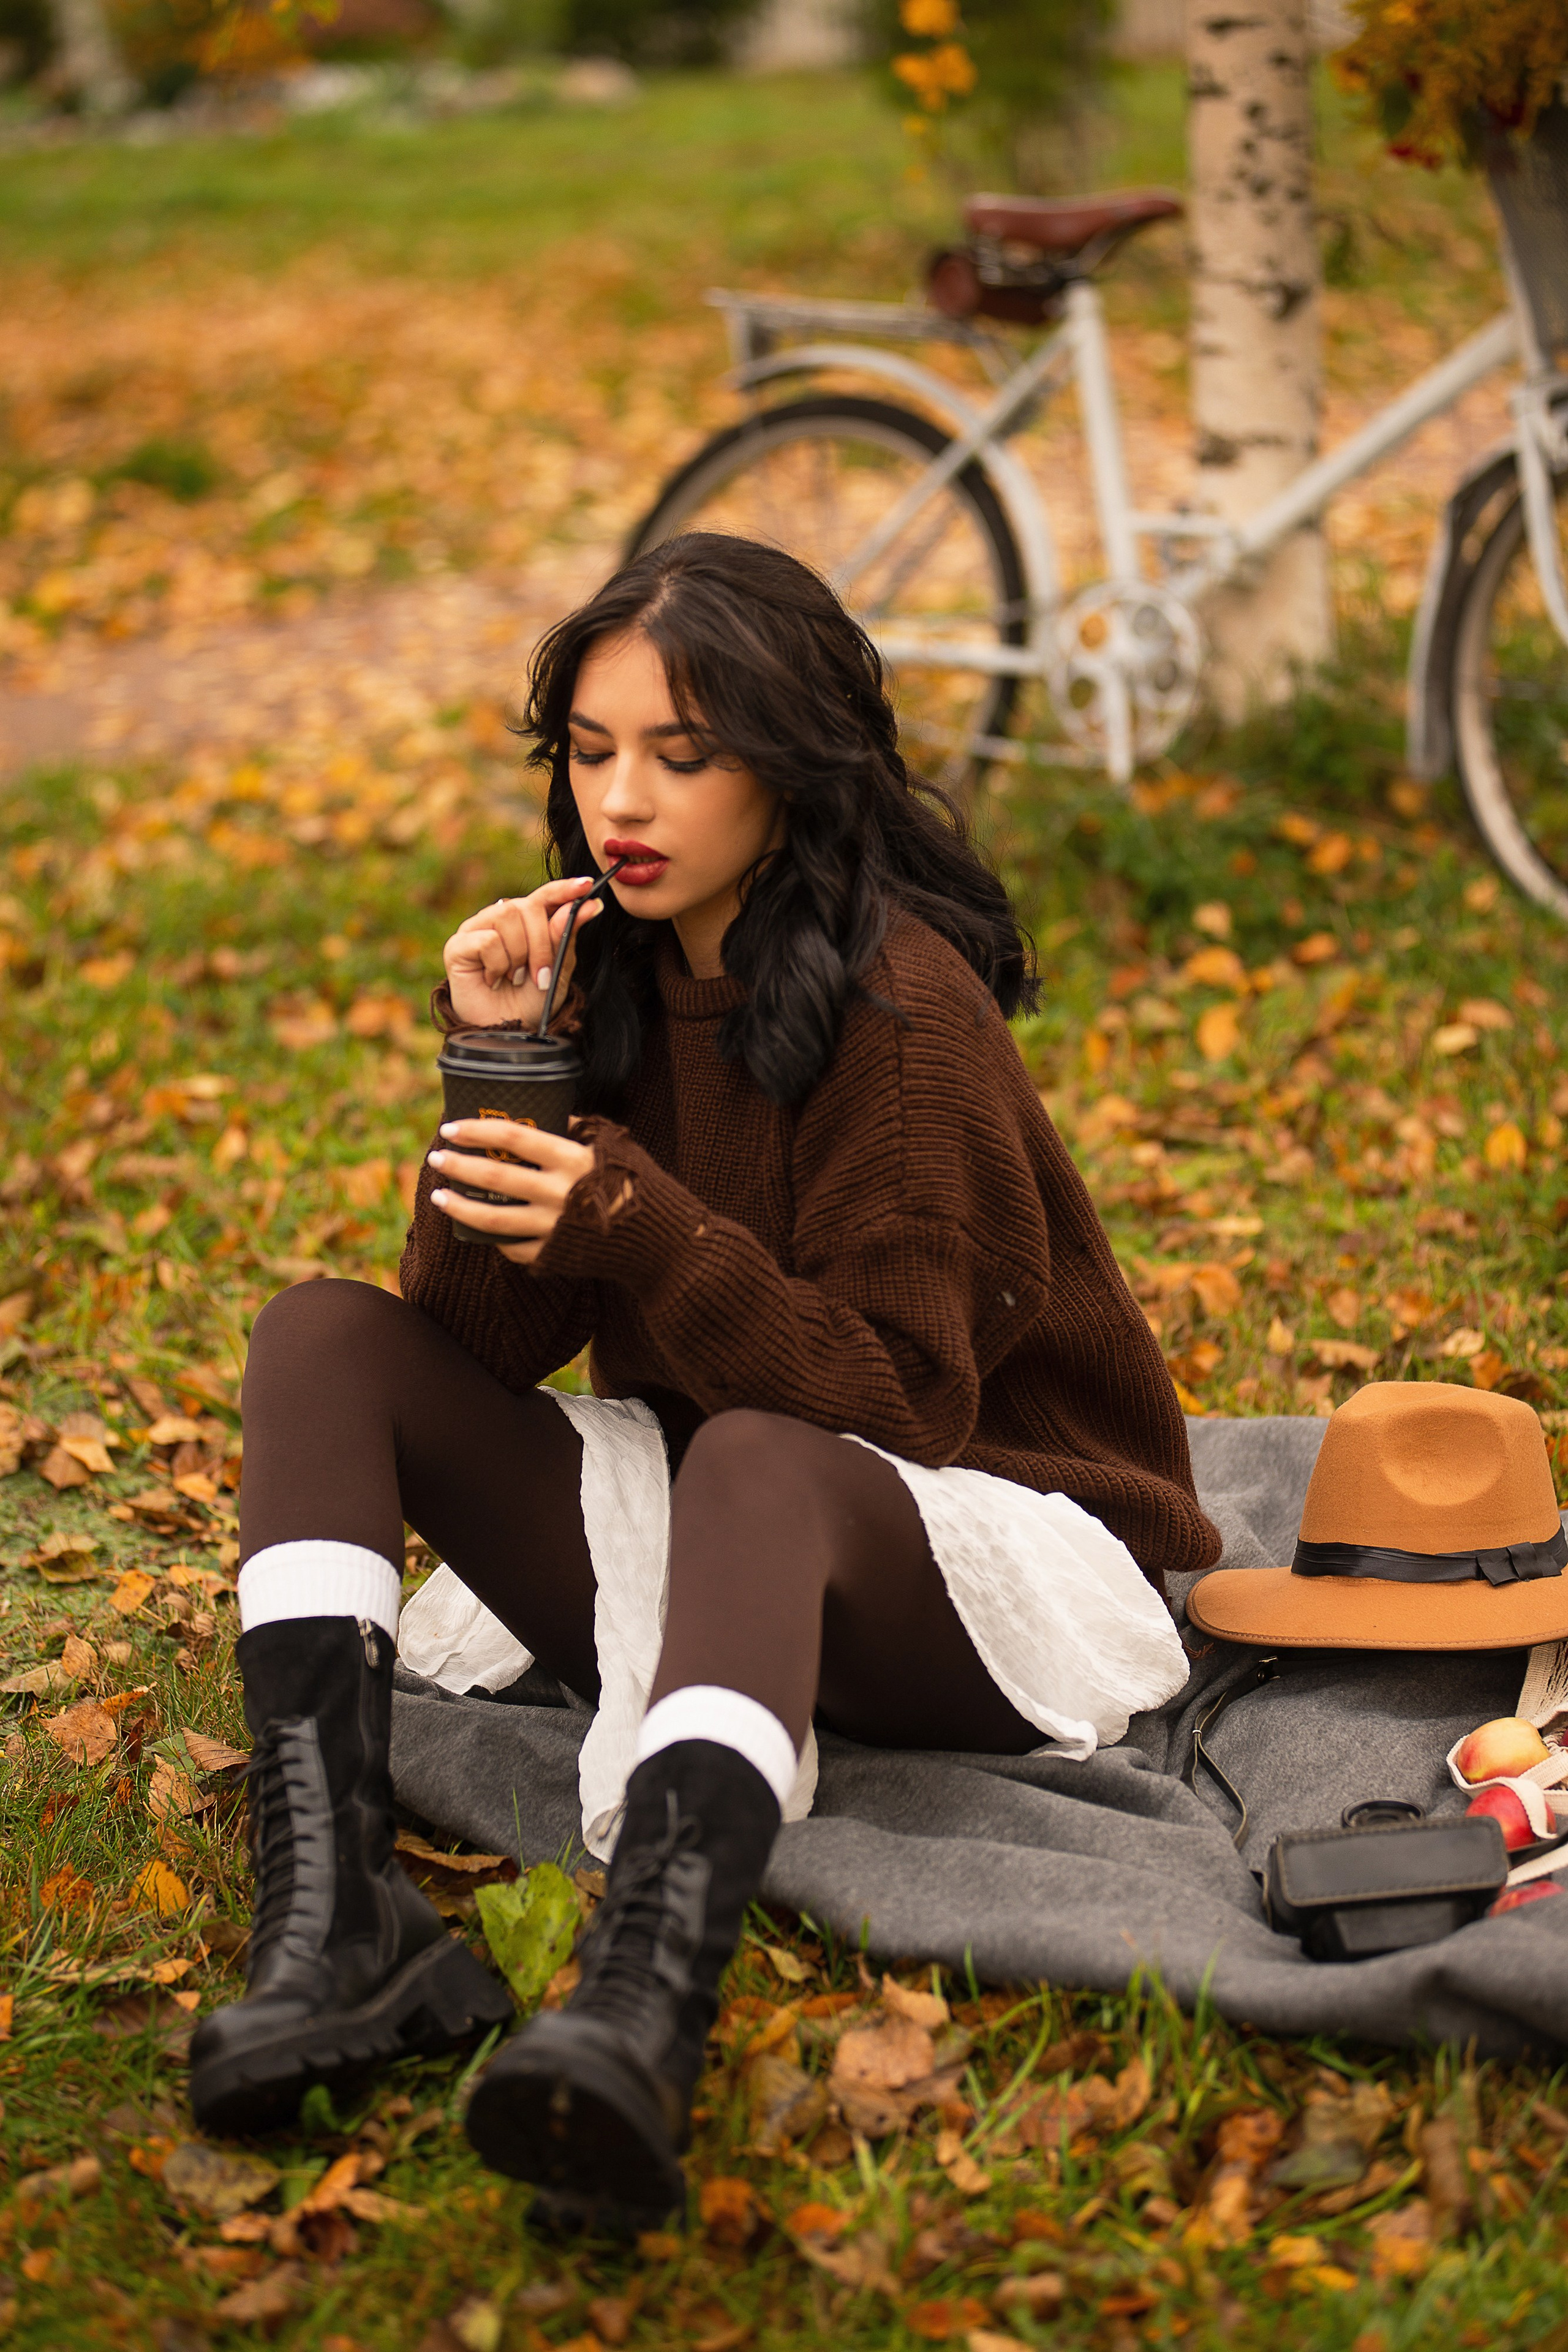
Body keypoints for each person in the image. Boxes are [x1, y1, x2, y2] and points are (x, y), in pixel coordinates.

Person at [190, 532, 1217, 2230]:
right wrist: (500, 1073)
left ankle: (644, 2007)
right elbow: (464, 1355)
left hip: (980, 1558)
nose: (624, 800)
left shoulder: (905, 1009)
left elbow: (897, 1414)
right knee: (319, 1336)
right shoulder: (615, 978)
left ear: (792, 766)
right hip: (719, 1529)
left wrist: (647, 1235)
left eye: (683, 752)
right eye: (591, 752)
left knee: (754, 1455)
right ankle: (330, 1919)